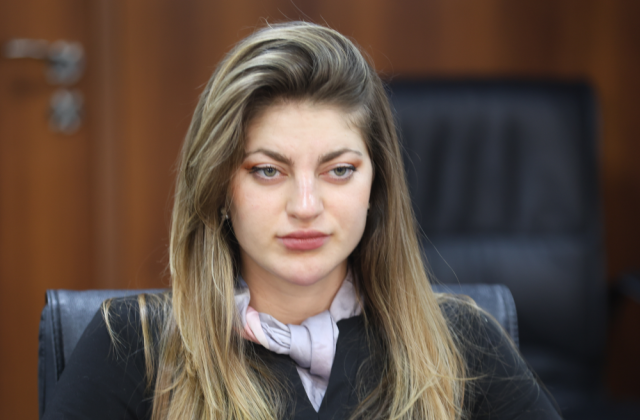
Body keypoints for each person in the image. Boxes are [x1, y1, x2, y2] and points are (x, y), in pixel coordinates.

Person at [43, 22, 562, 420]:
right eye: (268, 171)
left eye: (339, 170)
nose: (306, 206)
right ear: (219, 188)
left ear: (376, 187)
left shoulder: (462, 342)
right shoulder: (131, 346)